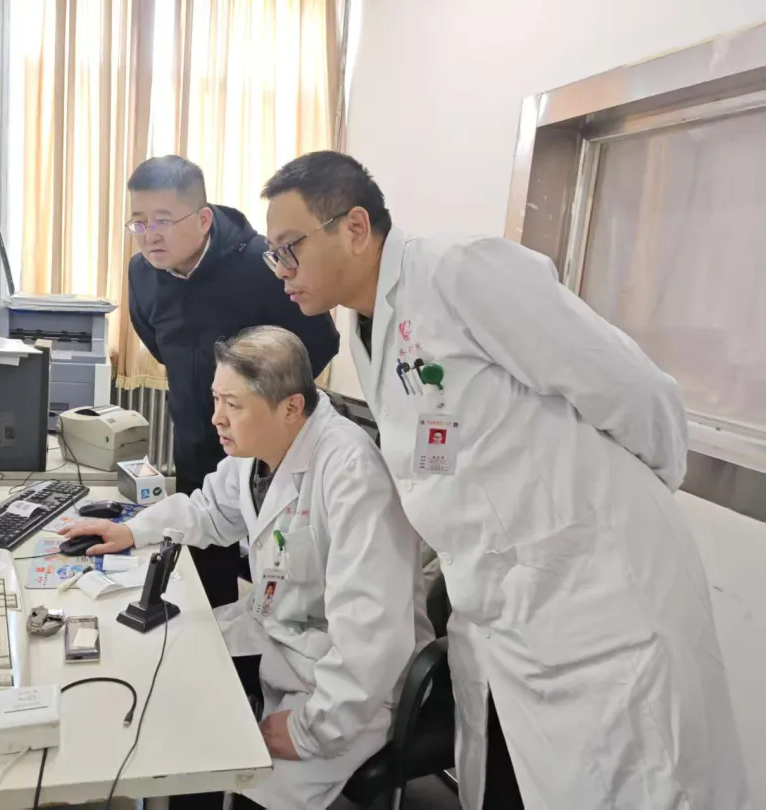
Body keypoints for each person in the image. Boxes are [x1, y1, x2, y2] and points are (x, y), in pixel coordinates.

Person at [260, 151, 751, 810]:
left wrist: (627, 516)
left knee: (651, 784)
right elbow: (440, 455)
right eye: (274, 255)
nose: (281, 270)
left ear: (353, 227)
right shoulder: (365, 332)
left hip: (603, 601)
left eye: (290, 248)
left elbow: (634, 390)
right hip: (511, 617)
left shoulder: (459, 272)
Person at [60, 326, 431, 810]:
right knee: (168, 661)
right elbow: (209, 511)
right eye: (216, 399)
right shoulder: (258, 452)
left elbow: (373, 635)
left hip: (346, 685)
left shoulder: (352, 475)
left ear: (291, 408)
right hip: (287, 632)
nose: (216, 417)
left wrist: (310, 730)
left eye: (232, 404)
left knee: (247, 770)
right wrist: (132, 530)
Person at [125, 156, 340, 611]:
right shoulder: (141, 274)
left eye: (163, 221)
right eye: (139, 223)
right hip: (194, 437)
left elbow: (320, 341)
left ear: (203, 218)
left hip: (267, 443)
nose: (150, 235)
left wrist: (268, 403)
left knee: (282, 566)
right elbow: (160, 345)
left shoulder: (262, 265)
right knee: (201, 567)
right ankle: (216, 641)